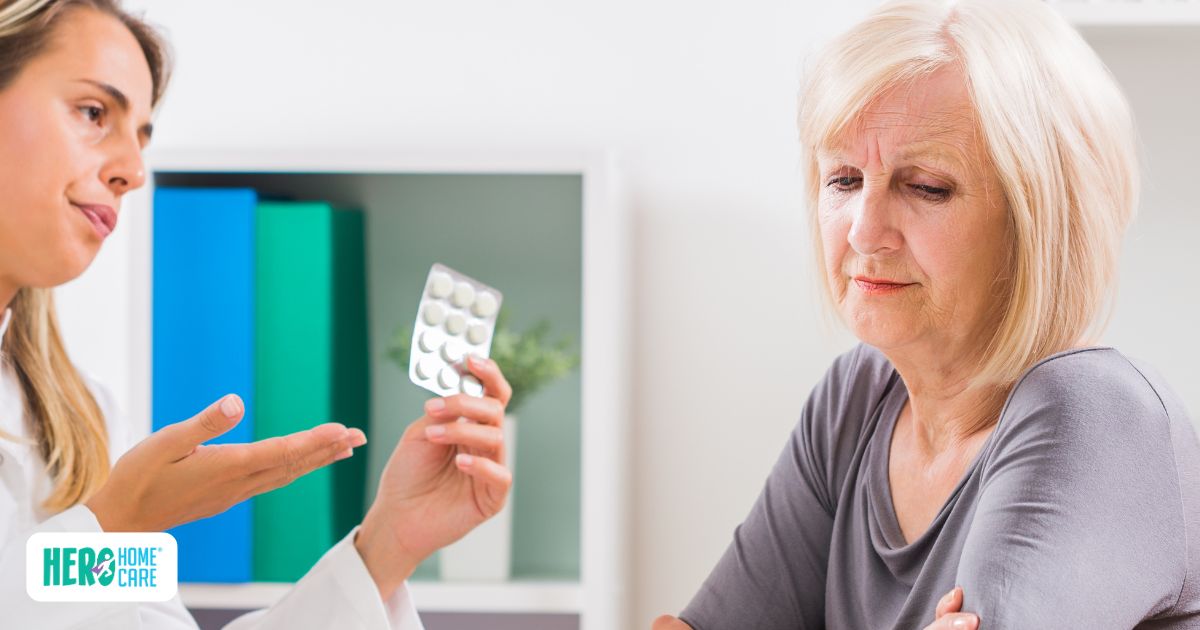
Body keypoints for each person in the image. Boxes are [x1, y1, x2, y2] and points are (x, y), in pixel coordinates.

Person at [654, 0, 1200, 628]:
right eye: (844, 179)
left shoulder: (1094, 414)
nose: (864, 232)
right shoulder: (857, 397)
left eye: (926, 187)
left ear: (1039, 221)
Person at [0, 1, 513, 628]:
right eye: (92, 112)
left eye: (141, 137)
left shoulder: (86, 422)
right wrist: (114, 522)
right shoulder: (115, 483)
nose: (133, 172)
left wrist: (386, 548)